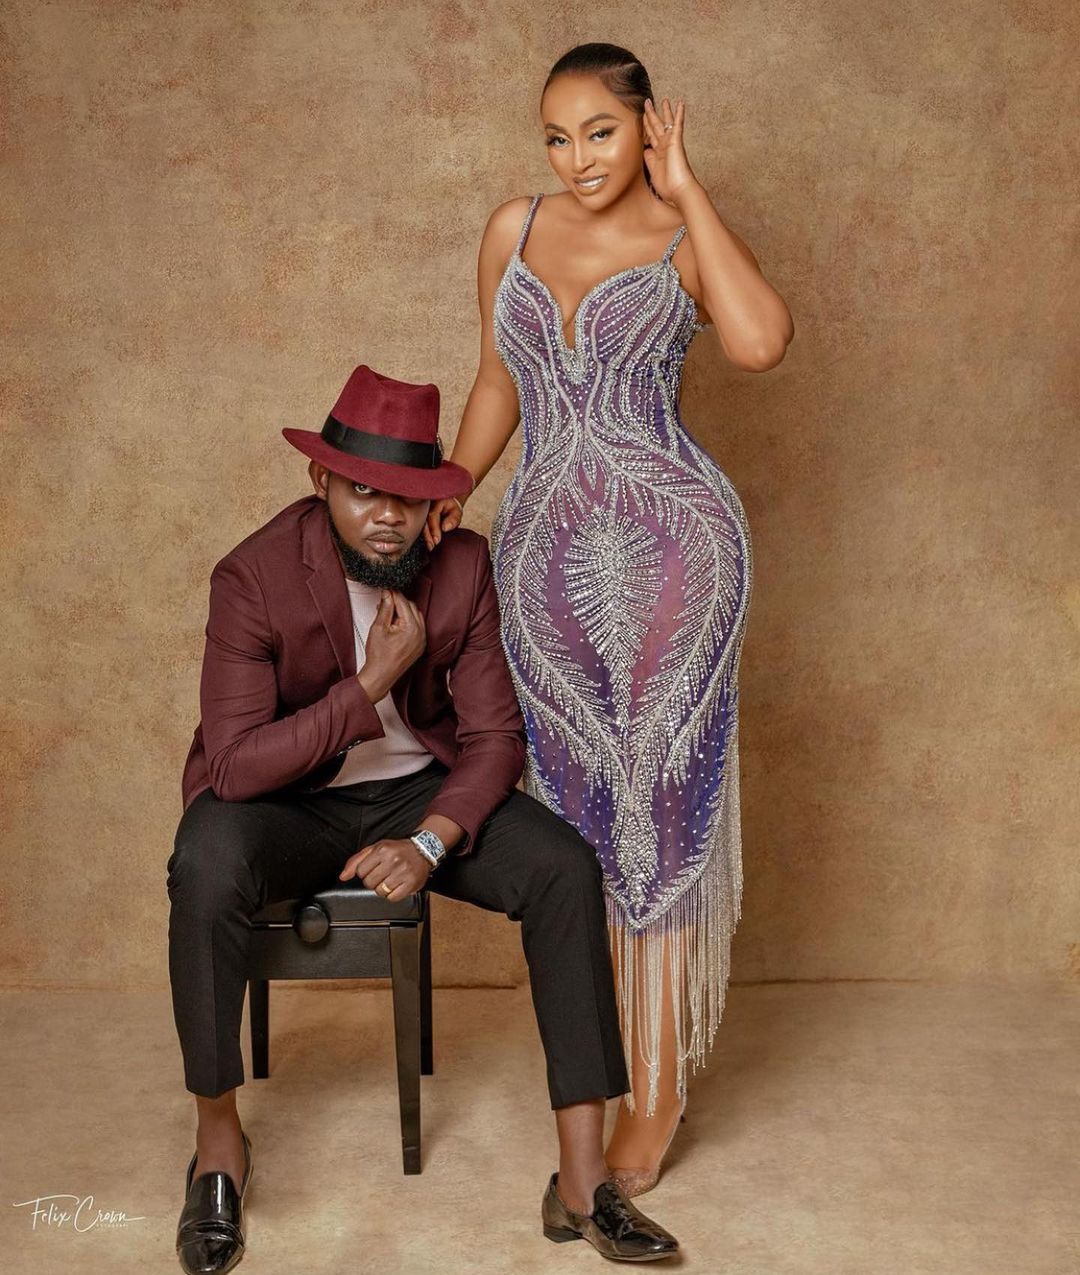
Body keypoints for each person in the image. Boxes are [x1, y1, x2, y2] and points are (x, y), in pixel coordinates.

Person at [167, 363, 681, 1272]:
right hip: (288, 801)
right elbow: (236, 766)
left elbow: (494, 738)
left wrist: (430, 839)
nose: (386, 516)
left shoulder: (463, 565)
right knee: (204, 859)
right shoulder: (252, 575)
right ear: (321, 481)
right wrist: (372, 680)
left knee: (563, 865)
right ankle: (217, 1150)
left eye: (406, 496)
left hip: (418, 793)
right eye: (363, 491)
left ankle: (581, 1180)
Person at [424, 42, 793, 1195]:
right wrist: (448, 495)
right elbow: (499, 382)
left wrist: (693, 193)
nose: (577, 157)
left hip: (678, 549)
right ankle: (612, 1065)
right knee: (581, 817)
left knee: (661, 805)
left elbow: (761, 342)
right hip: (542, 560)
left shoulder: (683, 239)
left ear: (646, 127)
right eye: (556, 135)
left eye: (599, 131)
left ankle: (660, 1090)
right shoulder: (513, 229)